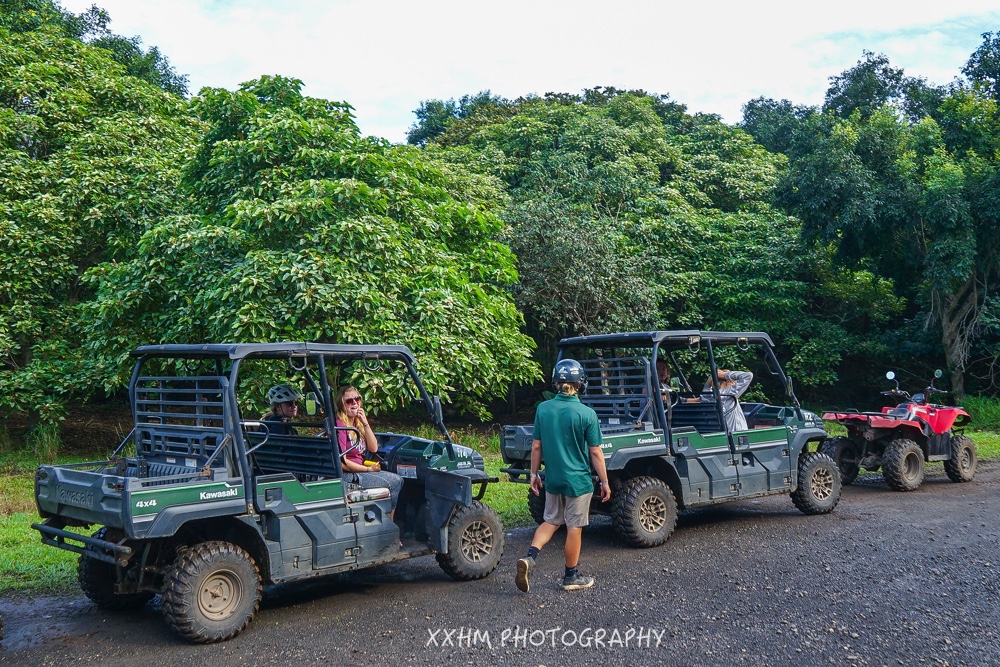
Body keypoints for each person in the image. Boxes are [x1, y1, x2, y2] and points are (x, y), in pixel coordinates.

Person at [515, 359, 611, 593]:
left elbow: (536, 446)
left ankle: (530, 558)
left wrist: (534, 474)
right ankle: (571, 576)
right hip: (578, 481)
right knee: (574, 527)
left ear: (557, 383)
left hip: (554, 478)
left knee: (551, 521)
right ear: (579, 384)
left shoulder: (543, 409)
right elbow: (596, 452)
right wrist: (605, 481)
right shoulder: (586, 413)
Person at [335, 385, 403, 519]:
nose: (354, 403)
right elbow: (342, 462)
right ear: (342, 405)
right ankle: (389, 526)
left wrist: (365, 424)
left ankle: (388, 524)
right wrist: (368, 470)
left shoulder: (356, 425)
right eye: (349, 401)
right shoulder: (341, 426)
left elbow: (374, 448)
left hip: (359, 471)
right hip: (348, 475)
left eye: (357, 399)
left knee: (399, 480)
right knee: (394, 482)